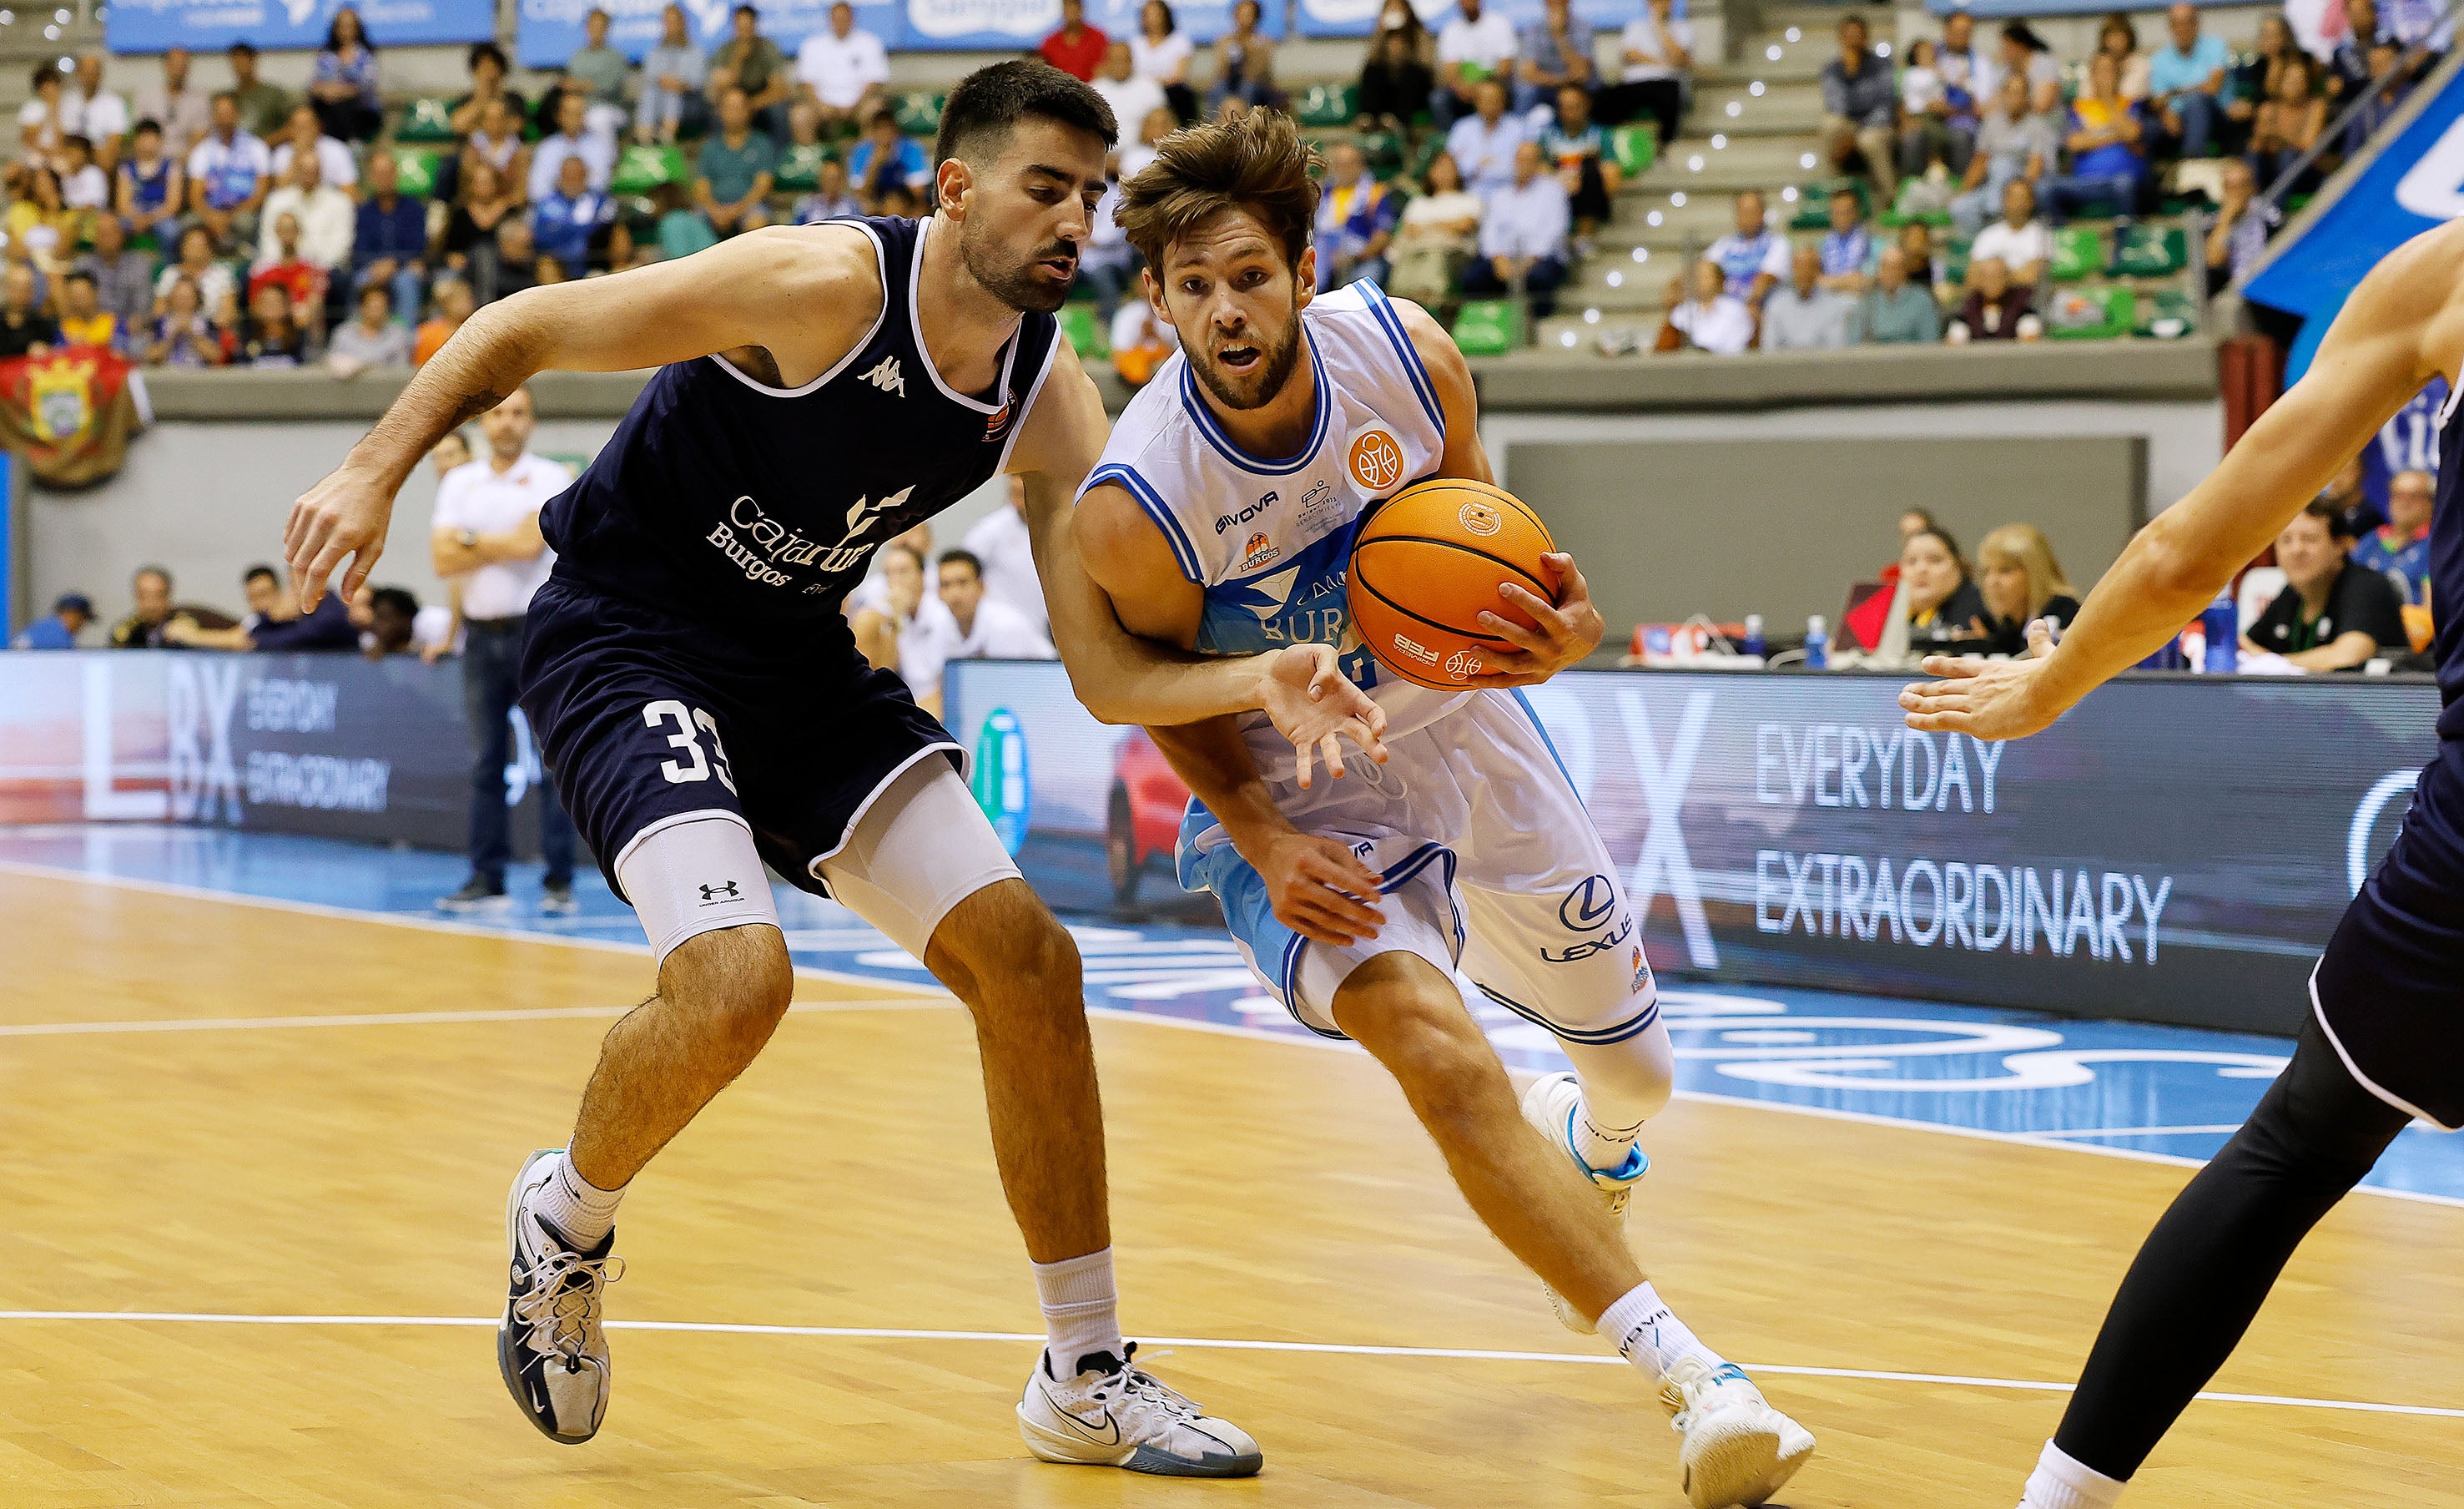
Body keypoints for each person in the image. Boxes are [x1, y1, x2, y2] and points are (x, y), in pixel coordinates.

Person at [280, 59, 1391, 1470]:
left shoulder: (1050, 397)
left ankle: (1084, 1368)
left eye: (1091, 197)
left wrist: (1253, 685)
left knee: (1029, 963)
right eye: (1045, 188)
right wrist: (375, 467)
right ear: (955, 187)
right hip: (629, 637)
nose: (1074, 220)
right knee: (739, 978)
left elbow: (1105, 666)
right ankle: (563, 1216)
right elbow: (525, 321)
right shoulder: (817, 286)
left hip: (800, 667)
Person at [1077, 107, 1816, 1507]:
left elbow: (1492, 554)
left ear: (1301, 267)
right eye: (1190, 286)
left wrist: (1556, 624)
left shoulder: (1407, 358)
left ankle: (1591, 1155)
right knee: (1438, 1052)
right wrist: (1263, 837)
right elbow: (1163, 690)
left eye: (1247, 273)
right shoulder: (1143, 498)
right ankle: (1697, 1379)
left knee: (1638, 1079)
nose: (1223, 309)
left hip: (1468, 731)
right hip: (1298, 795)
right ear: (1158, 301)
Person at [1903, 217, 2464, 1509]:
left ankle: (2059, 1505)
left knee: (2293, 1151)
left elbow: (2185, 558)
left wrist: (2048, 686)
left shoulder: (2440, 277)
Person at [425, 386, 584, 913]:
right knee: (485, 763)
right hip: (479, 636)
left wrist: (471, 541)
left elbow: (531, 545)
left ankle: (559, 881)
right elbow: (443, 560)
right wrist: (498, 542)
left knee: (554, 762)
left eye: (518, 413)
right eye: (498, 414)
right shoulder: (460, 480)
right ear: (484, 422)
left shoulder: (552, 478)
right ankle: (486, 879)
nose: (507, 423)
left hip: (537, 636)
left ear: (532, 422)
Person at [2239, 499, 2410, 668]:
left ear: (2341, 545)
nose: (2296, 550)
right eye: (2286, 540)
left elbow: (2348, 656)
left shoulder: (2368, 587)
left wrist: (2269, 663)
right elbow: (2244, 647)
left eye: (2309, 539)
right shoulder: (2293, 592)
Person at [851, 537, 963, 714]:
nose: (896, 581)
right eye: (889, 574)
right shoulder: (892, 618)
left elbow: (949, 686)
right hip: (906, 707)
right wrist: (895, 623)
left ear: (922, 576)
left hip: (938, 708)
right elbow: (883, 673)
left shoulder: (942, 615)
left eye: (903, 572)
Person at [1461, 139, 1570, 316]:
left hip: (1539, 259)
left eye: (1529, 160)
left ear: (1538, 163)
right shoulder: (1500, 195)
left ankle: (1538, 328)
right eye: (1520, 159)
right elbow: (1488, 232)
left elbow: (1554, 232)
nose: (1523, 164)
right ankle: (1485, 326)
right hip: (1503, 259)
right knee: (1473, 278)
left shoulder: (1553, 191)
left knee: (1539, 279)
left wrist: (1528, 262)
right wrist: (1498, 259)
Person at [2041, 52, 2144, 221]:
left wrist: (2108, 101)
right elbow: (2074, 143)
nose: (2105, 77)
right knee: (2044, 188)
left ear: (2118, 75)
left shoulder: (2130, 103)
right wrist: (2114, 134)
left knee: (2125, 184)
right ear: (2092, 76)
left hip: (2120, 182)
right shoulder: (2079, 108)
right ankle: (2066, 242)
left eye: (2109, 71)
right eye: (2100, 71)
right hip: (2084, 183)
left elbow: (2132, 133)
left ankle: (2123, 244)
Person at [1950, 72, 2053, 237]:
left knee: (2001, 164)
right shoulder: (1992, 123)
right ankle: (1981, 245)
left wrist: (2018, 197)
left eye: (2019, 93)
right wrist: (1963, 192)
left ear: (2027, 97)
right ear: (2003, 95)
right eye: (2010, 92)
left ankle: (1996, 215)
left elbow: (2036, 166)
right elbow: (1980, 162)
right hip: (1994, 187)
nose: (2014, 98)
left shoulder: (2038, 125)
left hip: (2024, 186)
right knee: (1959, 208)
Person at [167, 563, 356, 650]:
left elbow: (253, 641)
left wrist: (194, 637)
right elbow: (244, 634)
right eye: (293, 584)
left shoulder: (330, 615)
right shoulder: (272, 620)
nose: (293, 593)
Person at [1821, 13, 1898, 202]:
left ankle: (1890, 196)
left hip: (1878, 126)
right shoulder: (1832, 70)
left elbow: (1886, 105)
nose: (1853, 41)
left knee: (1868, 140)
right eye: (1848, 36)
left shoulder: (1882, 66)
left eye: (1857, 36)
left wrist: (1856, 135)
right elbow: (1835, 106)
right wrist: (1850, 72)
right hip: (1849, 125)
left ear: (1866, 38)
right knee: (1830, 125)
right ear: (1840, 39)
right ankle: (1836, 192)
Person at [1388, 150, 1482, 307]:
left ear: (1457, 171)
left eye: (1448, 167)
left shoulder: (1469, 200)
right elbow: (1409, 229)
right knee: (1406, 256)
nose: (1444, 173)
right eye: (1439, 168)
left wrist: (1429, 227)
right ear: (1431, 172)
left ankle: (1431, 300)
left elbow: (1465, 225)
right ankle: (1400, 300)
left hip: (1453, 253)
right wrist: (1442, 226)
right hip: (1416, 250)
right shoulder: (1419, 202)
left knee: (1436, 253)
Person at [959, 475, 1048, 636]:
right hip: (1004, 633)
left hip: (1049, 629)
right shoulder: (989, 531)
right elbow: (961, 572)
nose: (1018, 501)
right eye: (1014, 493)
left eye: (1022, 494)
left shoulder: (1054, 527)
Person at [1973, 523, 2079, 654]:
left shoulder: (2066, 613)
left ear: (2035, 573)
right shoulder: (1998, 626)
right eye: (1986, 572)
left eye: (2005, 570)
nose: (1992, 581)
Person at [185, 92, 270, 251]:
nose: (225, 118)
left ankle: (245, 263)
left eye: (228, 113)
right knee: (188, 223)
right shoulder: (202, 151)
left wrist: (231, 216)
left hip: (243, 211)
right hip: (210, 210)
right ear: (214, 116)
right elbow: (195, 195)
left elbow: (261, 192)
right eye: (220, 113)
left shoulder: (256, 147)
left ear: (237, 115)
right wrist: (212, 216)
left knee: (245, 223)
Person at [1313, 139, 1398, 291]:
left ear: (1361, 165)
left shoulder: (1375, 193)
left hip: (1363, 258)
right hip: (1325, 254)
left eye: (1349, 164)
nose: (1343, 169)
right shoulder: (1322, 194)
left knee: (1366, 281)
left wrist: (1353, 257)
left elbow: (1382, 237)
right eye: (1339, 164)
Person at [2148, 1, 2230, 159]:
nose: (2182, 29)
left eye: (2187, 23)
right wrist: (2166, 113)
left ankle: (2193, 164)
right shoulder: (2159, 58)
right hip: (2176, 118)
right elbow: (2158, 100)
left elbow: (2213, 87)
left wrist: (2175, 92)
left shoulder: (2215, 45)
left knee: (2196, 102)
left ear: (2197, 24)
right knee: (2145, 128)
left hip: (2217, 116)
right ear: (2170, 28)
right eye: (2176, 24)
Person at [940, 548, 1056, 658]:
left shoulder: (1005, 626)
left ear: (981, 587)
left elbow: (1009, 677)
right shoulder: (941, 626)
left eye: (963, 583)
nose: (954, 594)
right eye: (945, 585)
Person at [1605, 0, 1690, 149]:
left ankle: (1665, 146)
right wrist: (1662, 62)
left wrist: (1660, 26)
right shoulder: (1636, 26)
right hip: (1635, 84)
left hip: (1665, 84)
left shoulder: (1683, 28)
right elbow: (1629, 54)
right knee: (1604, 99)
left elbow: (1678, 59)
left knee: (1670, 96)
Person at [797, 2, 890, 136]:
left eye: (845, 18)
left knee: (874, 110)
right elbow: (806, 82)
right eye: (837, 19)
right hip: (822, 105)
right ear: (830, 20)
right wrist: (820, 105)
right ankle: (809, 156)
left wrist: (856, 105)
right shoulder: (812, 45)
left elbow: (876, 81)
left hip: (859, 103)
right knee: (800, 116)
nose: (841, 23)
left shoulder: (870, 42)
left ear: (853, 19)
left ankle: (867, 155)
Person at [1541, 84, 1617, 249]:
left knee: (1590, 169)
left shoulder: (1600, 134)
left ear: (1586, 105)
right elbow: (1540, 167)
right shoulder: (1547, 136)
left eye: (1576, 106)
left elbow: (1612, 170)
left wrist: (1579, 177)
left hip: (1590, 192)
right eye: (1566, 107)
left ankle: (1585, 235)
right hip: (1558, 190)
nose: (1571, 112)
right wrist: (1561, 179)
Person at [694, 87, 776, 237]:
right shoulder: (710, 147)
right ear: (720, 112)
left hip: (750, 207)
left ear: (748, 111)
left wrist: (738, 209)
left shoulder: (761, 144)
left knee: (756, 222)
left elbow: (763, 185)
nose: (734, 113)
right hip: (714, 208)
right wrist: (715, 210)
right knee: (688, 225)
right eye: (730, 108)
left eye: (739, 108)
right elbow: (701, 187)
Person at [1897, 523, 1989, 647]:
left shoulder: (1982, 609)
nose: (1921, 569)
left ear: (1958, 566)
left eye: (1934, 560)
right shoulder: (1892, 615)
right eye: (1911, 561)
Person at [707, 4, 791, 139]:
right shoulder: (725, 50)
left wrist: (750, 105)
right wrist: (738, 59)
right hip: (733, 99)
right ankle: (721, 156)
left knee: (779, 111)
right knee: (717, 113)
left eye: (747, 25)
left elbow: (778, 89)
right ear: (734, 25)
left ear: (754, 24)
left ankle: (780, 157)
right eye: (740, 26)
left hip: (761, 99)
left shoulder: (768, 47)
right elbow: (719, 89)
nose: (744, 30)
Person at [2353, 466, 2433, 603]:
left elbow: (2432, 607)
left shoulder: (2436, 545)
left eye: (2414, 496)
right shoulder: (2372, 540)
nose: (2404, 503)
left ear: (2431, 502)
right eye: (2398, 495)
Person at [1434, 0, 1518, 129]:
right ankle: (1451, 141)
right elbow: (1450, 73)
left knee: (1521, 92)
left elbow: (1505, 67)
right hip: (1464, 91)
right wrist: (1466, 89)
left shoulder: (1500, 24)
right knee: (1438, 99)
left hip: (1495, 86)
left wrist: (1484, 89)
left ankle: (1514, 134)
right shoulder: (1450, 30)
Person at [2247, 53, 2326, 188]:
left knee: (2287, 155)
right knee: (2253, 156)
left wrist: (2279, 136)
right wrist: (2262, 138)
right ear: (2281, 82)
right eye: (2290, 80)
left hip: (2305, 170)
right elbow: (2255, 146)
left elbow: (2308, 147)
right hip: (2270, 167)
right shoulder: (2268, 108)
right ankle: (2251, 201)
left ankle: (2275, 206)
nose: (2295, 86)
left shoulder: (2316, 106)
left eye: (2300, 81)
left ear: (2307, 84)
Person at [1761, 244, 1858, 350]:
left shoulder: (1835, 306)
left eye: (1810, 267)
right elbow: (1769, 350)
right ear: (1792, 269)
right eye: (1799, 267)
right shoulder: (1776, 305)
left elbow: (1835, 352)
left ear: (1818, 270)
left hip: (1822, 365)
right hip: (1784, 365)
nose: (1804, 273)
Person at [1704, 189, 1787, 308]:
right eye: (1743, 212)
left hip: (1760, 310)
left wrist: (1745, 308)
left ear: (1762, 213)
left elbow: (1765, 280)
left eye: (1752, 211)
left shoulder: (1778, 243)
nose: (1747, 217)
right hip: (1727, 311)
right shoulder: (1724, 244)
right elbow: (1704, 270)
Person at [1444, 77, 1524, 199]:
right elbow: (1452, 167)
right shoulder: (1462, 127)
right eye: (1484, 99)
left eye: (1494, 99)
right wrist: (1480, 164)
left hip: (1510, 194)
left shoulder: (1518, 128)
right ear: (1476, 101)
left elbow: (1521, 168)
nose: (1489, 104)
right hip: (1467, 194)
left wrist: (1477, 166)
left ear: (1503, 100)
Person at [310, 7, 383, 143]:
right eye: (342, 26)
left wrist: (340, 92)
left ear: (358, 28)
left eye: (350, 26)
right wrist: (326, 92)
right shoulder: (326, 55)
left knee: (343, 106)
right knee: (321, 108)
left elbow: (366, 86)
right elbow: (314, 84)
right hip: (328, 106)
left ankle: (349, 143)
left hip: (360, 111)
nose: (346, 31)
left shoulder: (365, 55)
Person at [637, 5, 707, 144]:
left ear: (683, 23)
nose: (671, 26)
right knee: (650, 94)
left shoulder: (695, 52)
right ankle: (644, 141)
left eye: (675, 22)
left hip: (688, 101)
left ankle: (666, 140)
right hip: (658, 98)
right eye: (667, 22)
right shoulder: (655, 51)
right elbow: (650, 77)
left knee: (673, 94)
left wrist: (679, 84)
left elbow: (698, 82)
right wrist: (666, 82)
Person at [78, 213, 154, 341]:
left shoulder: (139, 264)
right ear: (95, 237)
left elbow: (144, 306)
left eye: (112, 233)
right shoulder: (83, 265)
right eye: (103, 234)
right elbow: (77, 306)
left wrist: (134, 323)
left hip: (129, 331)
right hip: (91, 330)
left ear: (121, 236)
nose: (108, 238)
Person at [1513, 0, 1595, 118]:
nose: (1555, 5)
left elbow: (1582, 73)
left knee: (1579, 93)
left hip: (1578, 86)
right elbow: (1529, 73)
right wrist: (1562, 81)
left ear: (1568, 3)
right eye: (1551, 2)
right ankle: (1522, 131)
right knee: (1526, 91)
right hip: (1549, 86)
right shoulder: (1534, 29)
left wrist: (1559, 36)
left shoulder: (1583, 27)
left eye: (1560, 2)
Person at [538, 154, 617, 275]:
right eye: (569, 175)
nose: (573, 179)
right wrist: (582, 229)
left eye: (578, 174)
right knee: (546, 264)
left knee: (620, 234)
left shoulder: (601, 200)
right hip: (560, 261)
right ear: (561, 175)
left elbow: (605, 227)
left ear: (586, 175)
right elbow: (542, 235)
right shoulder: (547, 204)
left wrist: (565, 227)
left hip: (596, 259)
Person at [532, 93, 614, 208]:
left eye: (579, 114)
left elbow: (601, 183)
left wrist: (575, 190)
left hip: (589, 209)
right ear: (559, 116)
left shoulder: (599, 147)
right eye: (569, 114)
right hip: (553, 209)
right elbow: (537, 190)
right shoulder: (546, 148)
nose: (574, 119)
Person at [1357, 23, 1435, 139]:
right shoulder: (1375, 70)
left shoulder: (1415, 71)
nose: (1396, 46)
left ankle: (1397, 122)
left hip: (1406, 114)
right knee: (1373, 72)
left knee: (1411, 75)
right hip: (1378, 115)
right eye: (1392, 42)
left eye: (1400, 42)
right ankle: (1373, 119)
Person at [1969, 177, 2050, 288]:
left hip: (2025, 299)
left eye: (2023, 198)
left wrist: (1995, 275)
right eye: (2014, 198)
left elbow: (2032, 276)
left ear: (2032, 202)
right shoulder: (1987, 235)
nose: (2019, 204)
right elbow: (1972, 278)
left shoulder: (2042, 235)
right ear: (2004, 201)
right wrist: (2012, 275)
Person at [567, 9, 633, 142]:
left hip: (610, 107)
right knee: (568, 115)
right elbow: (570, 83)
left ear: (607, 29)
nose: (595, 31)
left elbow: (609, 88)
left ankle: (607, 159)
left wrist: (582, 86)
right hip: (579, 107)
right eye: (592, 26)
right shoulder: (577, 55)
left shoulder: (616, 56)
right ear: (586, 28)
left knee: (599, 117)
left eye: (599, 27)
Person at [1663, 256, 1753, 354]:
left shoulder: (1736, 310)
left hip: (1723, 365)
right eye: (1697, 277)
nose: (1700, 281)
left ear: (1719, 280)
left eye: (1705, 277)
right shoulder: (1682, 311)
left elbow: (1736, 349)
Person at [115, 117, 184, 245]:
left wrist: (151, 219)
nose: (148, 143)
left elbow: (173, 204)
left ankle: (168, 263)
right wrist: (137, 218)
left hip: (161, 214)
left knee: (171, 231)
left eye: (152, 138)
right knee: (114, 229)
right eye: (144, 138)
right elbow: (122, 203)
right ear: (136, 141)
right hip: (134, 213)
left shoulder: (172, 167)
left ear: (160, 141)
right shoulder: (126, 169)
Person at [846, 104, 929, 209]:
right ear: (873, 131)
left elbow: (918, 192)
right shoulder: (861, 151)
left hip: (905, 204)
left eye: (888, 127)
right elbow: (860, 194)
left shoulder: (912, 148)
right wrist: (875, 163)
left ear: (895, 129)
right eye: (880, 128)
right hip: (875, 206)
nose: (885, 133)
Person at [134, 47, 210, 159]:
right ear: (166, 65)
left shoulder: (200, 100)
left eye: (182, 66)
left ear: (188, 68)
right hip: (153, 162)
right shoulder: (147, 97)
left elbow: (199, 141)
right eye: (174, 65)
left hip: (187, 164)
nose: (178, 70)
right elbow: (142, 137)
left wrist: (178, 165)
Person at [1132, 0, 1199, 125]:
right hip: (1140, 91)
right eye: (1148, 15)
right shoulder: (1135, 43)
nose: (1152, 19)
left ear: (1166, 16)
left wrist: (1152, 83)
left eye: (1156, 14)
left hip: (1171, 92)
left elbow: (1178, 75)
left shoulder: (1179, 41)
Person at [1207, 0, 1280, 115]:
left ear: (1256, 18)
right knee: (1218, 89)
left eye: (1248, 15)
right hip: (1229, 83)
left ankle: (1246, 124)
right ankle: (1215, 126)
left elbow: (1260, 72)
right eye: (1241, 15)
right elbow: (1221, 70)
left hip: (1255, 85)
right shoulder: (1225, 40)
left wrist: (1249, 50)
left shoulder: (1263, 42)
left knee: (1248, 87)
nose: (1244, 19)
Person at [1861, 245, 1942, 345]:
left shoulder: (1922, 300)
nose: (1890, 273)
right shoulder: (1870, 300)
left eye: (1895, 268)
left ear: (1904, 270)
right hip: (1876, 356)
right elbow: (1855, 340)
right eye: (1885, 267)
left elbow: (1930, 340)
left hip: (1910, 356)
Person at [271, 103, 359, 192]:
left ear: (318, 126)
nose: (304, 132)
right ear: (290, 129)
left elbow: (349, 190)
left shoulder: (337, 150)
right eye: (299, 127)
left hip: (328, 199)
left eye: (307, 126)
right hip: (293, 201)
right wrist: (298, 154)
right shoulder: (282, 152)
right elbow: (280, 189)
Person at [327, 281, 411, 374]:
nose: (378, 312)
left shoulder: (397, 335)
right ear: (362, 307)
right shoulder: (343, 335)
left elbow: (402, 371)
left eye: (382, 306)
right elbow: (333, 365)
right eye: (374, 307)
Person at [1948, 255, 2038, 342]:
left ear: (2007, 278)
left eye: (1997, 276)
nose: (1992, 282)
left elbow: (2030, 340)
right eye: (1987, 277)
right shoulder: (1968, 308)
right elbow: (1954, 342)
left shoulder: (2021, 307)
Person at [1092, 42, 1164, 144]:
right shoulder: (1094, 90)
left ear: (1132, 61)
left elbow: (1162, 126)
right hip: (1103, 154)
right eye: (1116, 60)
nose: (1120, 65)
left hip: (1141, 153)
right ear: (1106, 62)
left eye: (1124, 60)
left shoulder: (1150, 88)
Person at [147, 274, 227, 366]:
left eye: (187, 298)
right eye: (179, 297)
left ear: (197, 299)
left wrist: (192, 334)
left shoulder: (206, 323)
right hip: (168, 374)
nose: (183, 302)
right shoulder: (160, 323)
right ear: (171, 298)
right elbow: (151, 356)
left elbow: (215, 355)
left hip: (199, 375)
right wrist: (172, 337)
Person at [111, 567, 192, 647]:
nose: (150, 604)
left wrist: (193, 637)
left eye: (158, 595)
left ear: (168, 596)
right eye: (143, 596)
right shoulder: (126, 631)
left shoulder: (185, 623)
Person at [226, 42, 292, 139]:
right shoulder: (227, 98)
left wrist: (265, 144)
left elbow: (292, 125)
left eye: (243, 59)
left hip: (270, 149)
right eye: (236, 61)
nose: (239, 65)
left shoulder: (273, 94)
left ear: (253, 60)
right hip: (235, 151)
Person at [1817, 185, 1871, 294]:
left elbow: (1865, 282)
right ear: (1831, 215)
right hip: (1829, 303)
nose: (1842, 217)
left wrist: (1831, 283)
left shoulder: (1872, 243)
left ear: (1856, 212)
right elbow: (1816, 282)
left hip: (1859, 301)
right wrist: (1847, 282)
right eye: (1838, 212)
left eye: (1847, 212)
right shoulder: (1821, 245)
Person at [1039, 0, 1111, 83]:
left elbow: (1105, 66)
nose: (1072, 11)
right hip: (1060, 91)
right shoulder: (1050, 42)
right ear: (1063, 10)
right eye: (1068, 7)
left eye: (1075, 7)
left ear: (1081, 9)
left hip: (1093, 89)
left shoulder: (1098, 38)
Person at [0, 263, 60, 357]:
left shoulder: (41, 323)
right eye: (16, 287)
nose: (21, 294)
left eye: (26, 288)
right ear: (6, 289)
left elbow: (58, 350)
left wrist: (47, 350)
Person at [413, 275, 475, 365]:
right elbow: (420, 367)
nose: (467, 303)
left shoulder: (477, 330)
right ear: (445, 304)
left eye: (468, 298)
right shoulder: (428, 333)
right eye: (459, 299)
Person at [57, 268, 114, 349]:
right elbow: (58, 353)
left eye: (82, 294)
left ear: (95, 292)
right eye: (74, 296)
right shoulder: (66, 328)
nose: (78, 300)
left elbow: (121, 353)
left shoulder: (113, 323)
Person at [11, 592, 91, 649]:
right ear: (71, 613)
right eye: (81, 619)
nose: (82, 625)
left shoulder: (40, 627)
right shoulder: (59, 635)